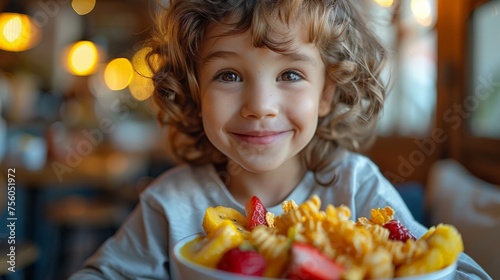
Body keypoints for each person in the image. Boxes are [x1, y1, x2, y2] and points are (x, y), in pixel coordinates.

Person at [70, 0, 491, 279]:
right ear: (196, 93)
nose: (261, 106)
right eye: (229, 75)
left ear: (326, 93)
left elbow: (458, 271)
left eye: (290, 75)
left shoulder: (355, 186)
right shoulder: (170, 204)